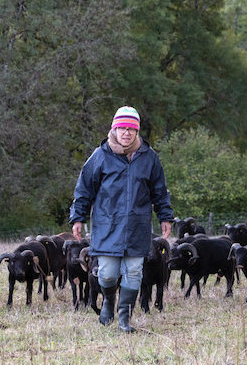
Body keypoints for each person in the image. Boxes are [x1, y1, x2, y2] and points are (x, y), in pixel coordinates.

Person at [69, 106, 173, 332]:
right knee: (107, 274)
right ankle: (108, 300)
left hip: (138, 225)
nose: (126, 133)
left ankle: (124, 318)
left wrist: (165, 215)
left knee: (135, 272)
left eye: (131, 129)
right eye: (122, 128)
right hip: (107, 225)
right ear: (114, 129)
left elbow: (160, 190)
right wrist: (78, 216)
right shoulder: (100, 156)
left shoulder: (149, 157)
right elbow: (84, 188)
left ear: (137, 132)